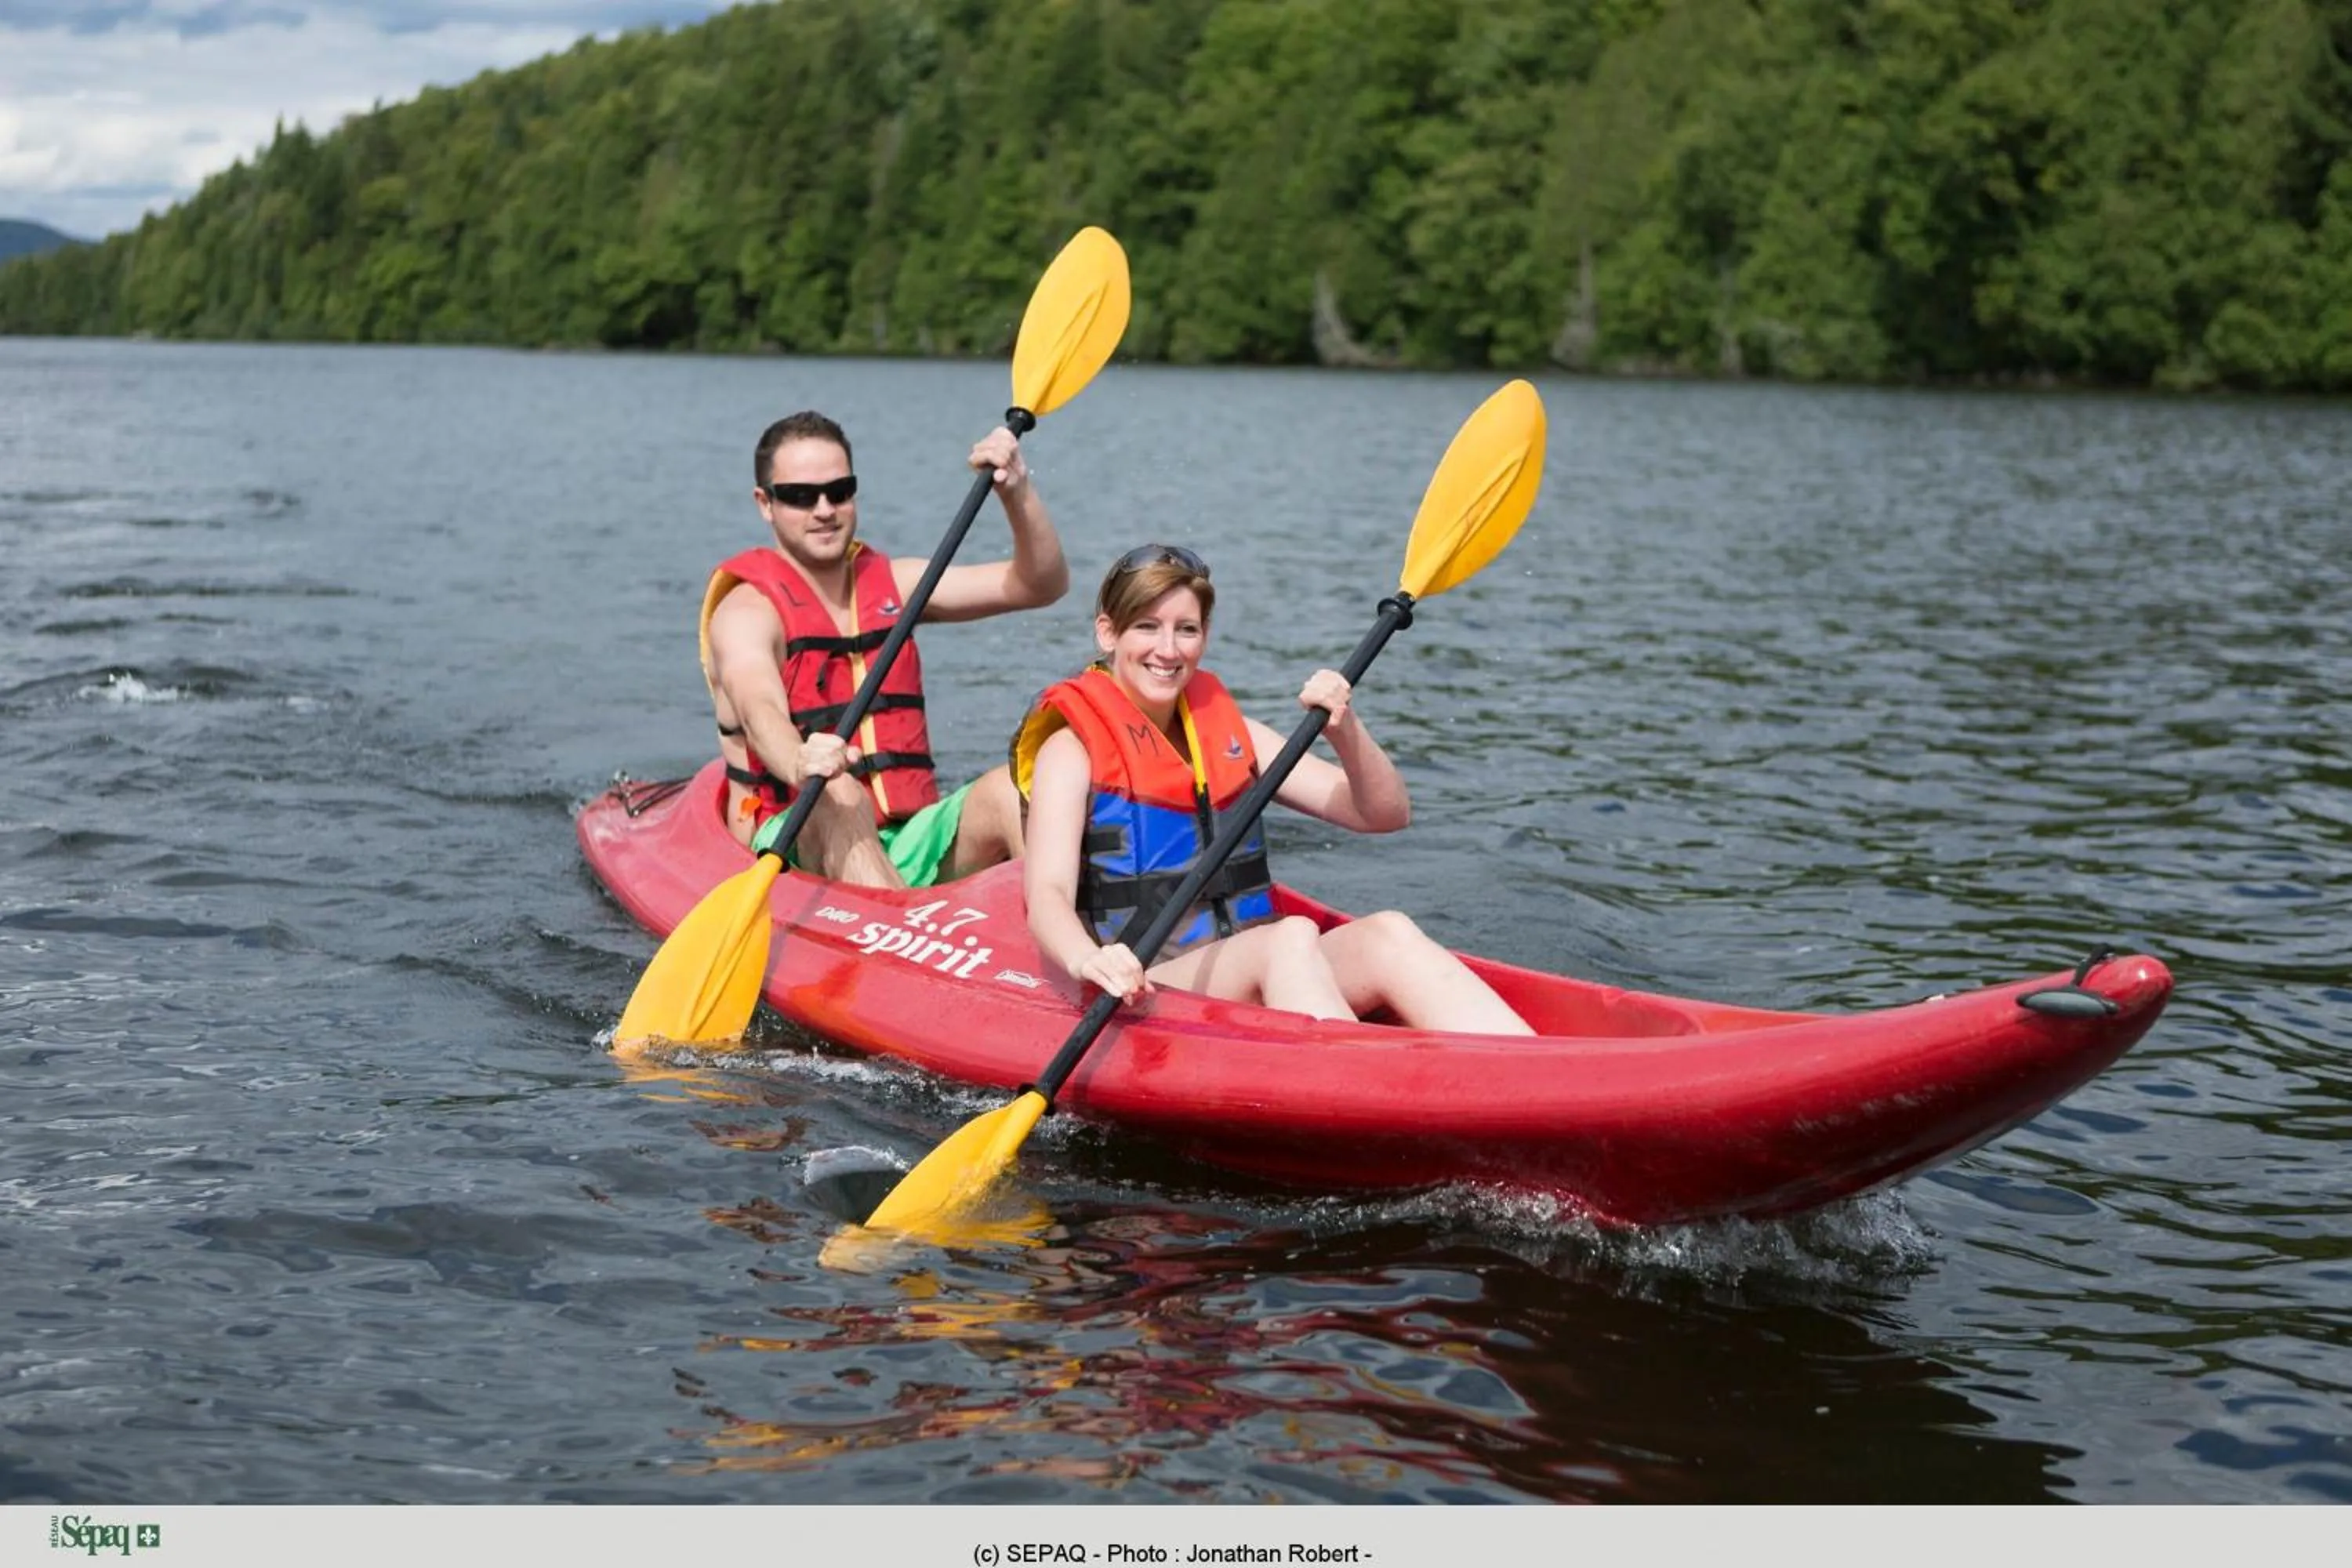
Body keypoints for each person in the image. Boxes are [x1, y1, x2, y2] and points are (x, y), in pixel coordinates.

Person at [1013, 544, 1535, 1034]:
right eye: (1148, 627)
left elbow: (1383, 814)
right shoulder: (1072, 752)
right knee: (1288, 938)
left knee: (1388, 933)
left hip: (1259, 965)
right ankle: (1364, 1084)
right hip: (1144, 987)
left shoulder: (1237, 737)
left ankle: (1528, 1069)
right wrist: (1090, 960)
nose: (1168, 650)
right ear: (1108, 633)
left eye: (1186, 629)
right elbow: (1047, 897)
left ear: (1205, 635)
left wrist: (1345, 732)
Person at [701, 408, 1069, 888]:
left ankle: (1069, 942)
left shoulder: (897, 583)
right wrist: (799, 761)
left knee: (1010, 788)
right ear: (765, 503)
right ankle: (901, 940)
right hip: (791, 839)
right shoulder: (746, 614)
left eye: (840, 491)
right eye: (799, 496)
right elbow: (759, 709)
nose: (824, 509)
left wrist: (1016, 493)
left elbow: (1039, 584)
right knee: (838, 792)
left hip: (905, 835)